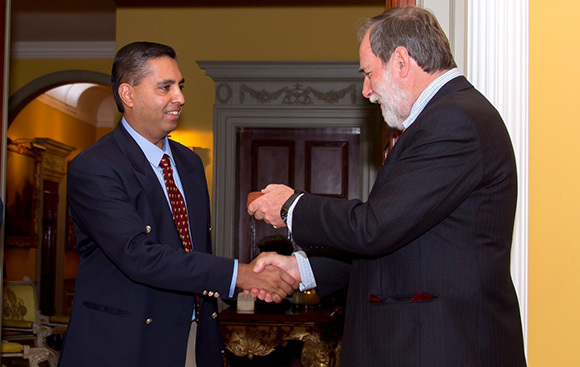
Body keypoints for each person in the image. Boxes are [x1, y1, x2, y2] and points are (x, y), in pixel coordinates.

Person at [247, 7, 527, 367]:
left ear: (400, 60)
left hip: (442, 348)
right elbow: (400, 243)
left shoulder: (454, 120)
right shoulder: (444, 117)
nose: (366, 91)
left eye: (368, 73)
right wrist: (303, 269)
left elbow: (375, 228)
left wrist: (291, 206)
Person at [59, 41, 298, 367]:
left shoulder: (189, 163)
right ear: (128, 95)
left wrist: (243, 280)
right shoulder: (96, 166)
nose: (180, 97)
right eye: (165, 87)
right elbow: (138, 256)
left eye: (180, 86)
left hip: (196, 337)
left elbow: (193, 251)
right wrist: (240, 275)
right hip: (126, 345)